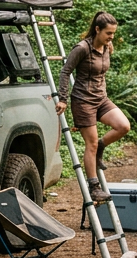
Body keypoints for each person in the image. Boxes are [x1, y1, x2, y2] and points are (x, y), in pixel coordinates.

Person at [55, 11, 130, 204]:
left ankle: (101, 149)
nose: (111, 37)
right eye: (108, 33)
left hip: (101, 99)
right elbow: (65, 72)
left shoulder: (107, 46)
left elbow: (102, 71)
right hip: (83, 101)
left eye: (113, 33)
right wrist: (62, 99)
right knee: (91, 144)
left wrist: (109, 44)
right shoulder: (82, 48)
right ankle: (94, 187)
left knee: (123, 126)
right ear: (97, 30)